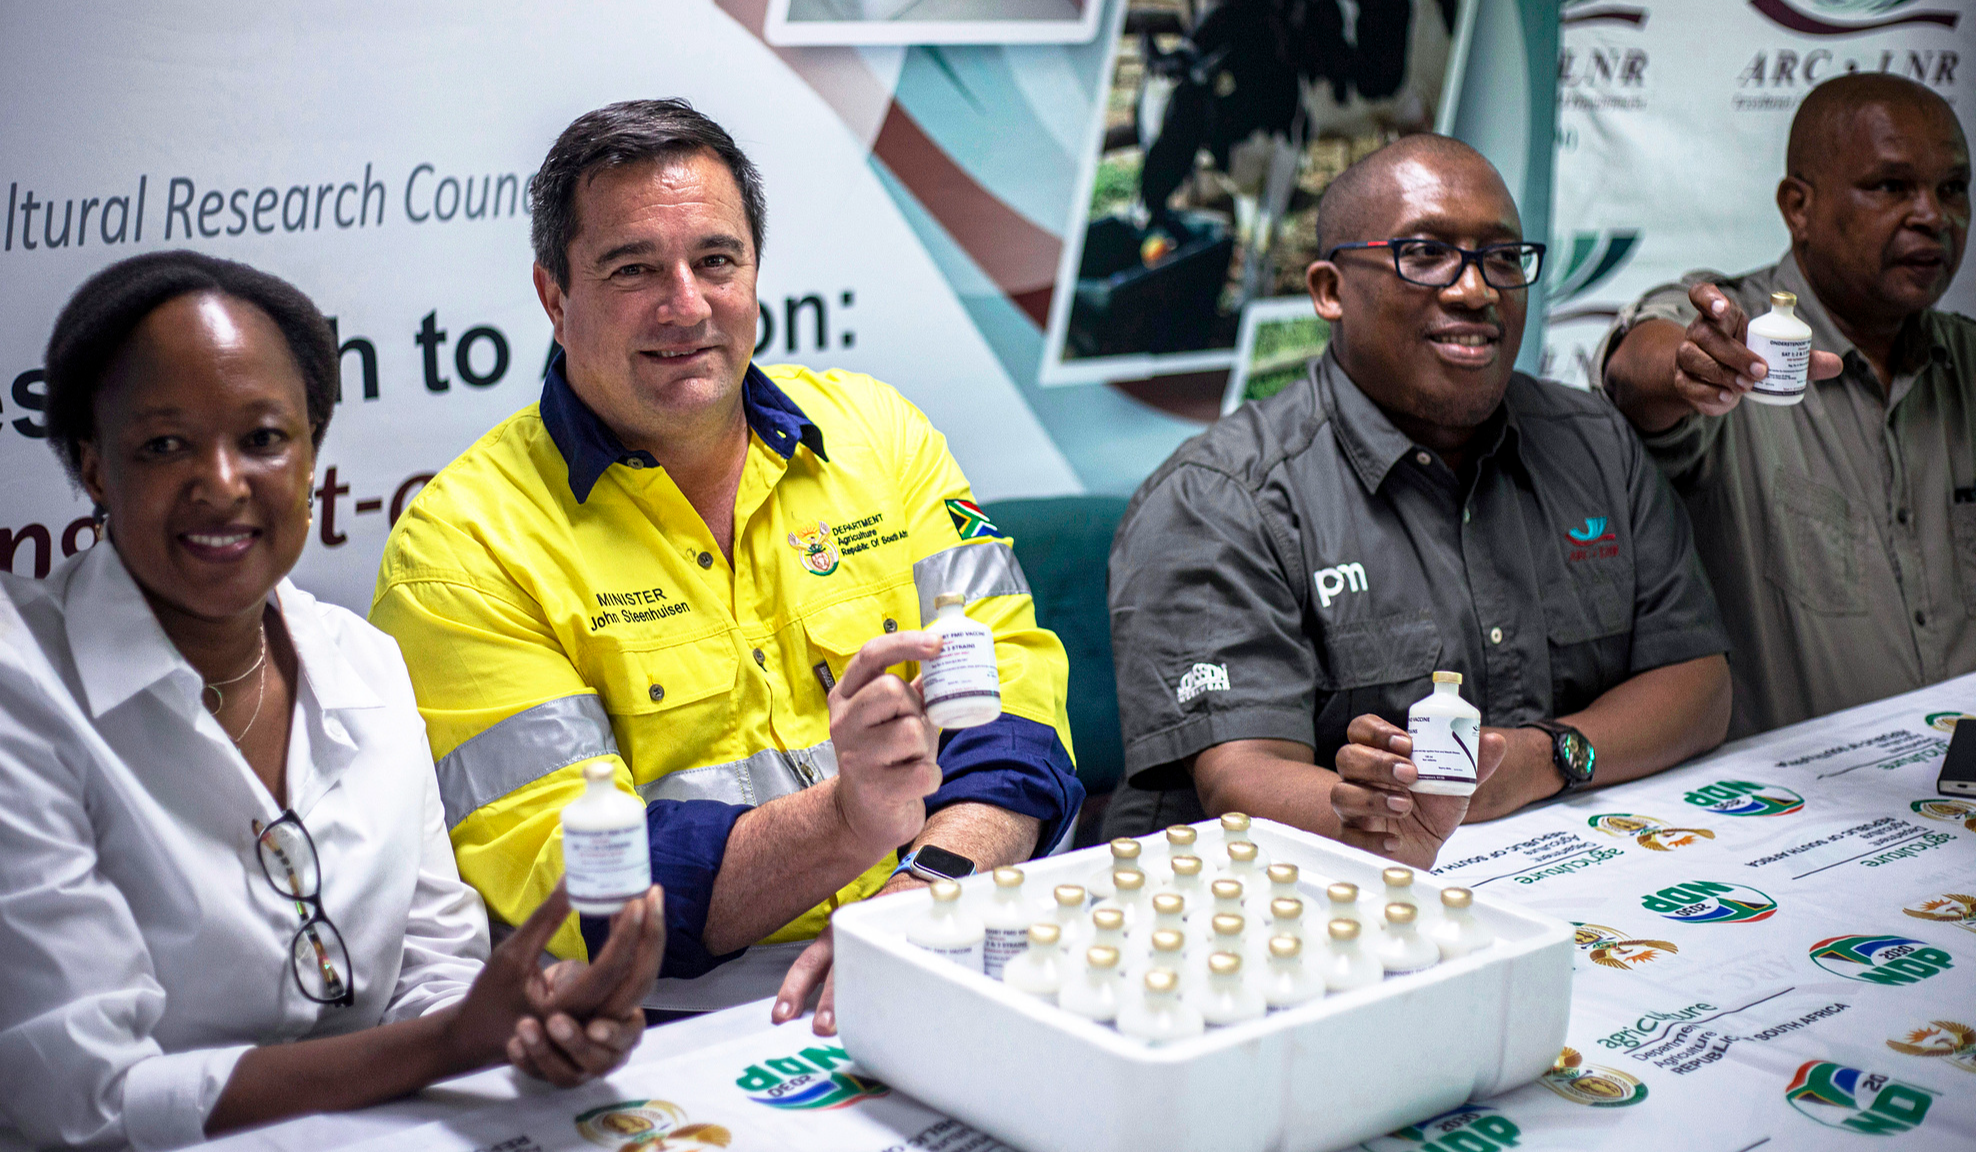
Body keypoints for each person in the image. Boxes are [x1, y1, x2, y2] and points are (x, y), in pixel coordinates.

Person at [368, 100, 1080, 1035]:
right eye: (633, 269)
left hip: (938, 920)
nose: (687, 305)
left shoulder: (883, 436)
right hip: (671, 1021)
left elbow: (1018, 705)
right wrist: (849, 821)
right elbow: (582, 887)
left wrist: (922, 889)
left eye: (716, 261)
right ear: (554, 298)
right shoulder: (460, 547)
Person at [0, 251, 663, 1151]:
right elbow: (94, 1101)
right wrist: (450, 1043)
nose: (222, 482)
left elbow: (432, 972)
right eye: (164, 446)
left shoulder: (366, 665)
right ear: (95, 467)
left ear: (312, 455)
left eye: (264, 439)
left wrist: (530, 1024)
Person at [1102, 135, 1733, 866]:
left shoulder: (1595, 443)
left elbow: (1699, 685)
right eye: (1426, 254)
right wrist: (1403, 822)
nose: (1476, 291)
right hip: (1292, 892)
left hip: (1549, 866)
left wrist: (1545, 757)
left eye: (1503, 258)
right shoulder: (1220, 497)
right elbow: (1243, 778)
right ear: (1330, 291)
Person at [1594, 73, 1973, 738]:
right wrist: (1691, 367)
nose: (1933, 216)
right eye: (1891, 186)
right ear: (1799, 207)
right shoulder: (1743, 342)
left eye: (1953, 188)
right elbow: (1638, 361)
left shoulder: (1967, 359)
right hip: (1792, 799)